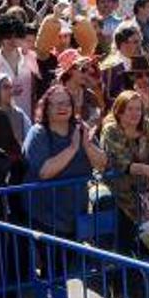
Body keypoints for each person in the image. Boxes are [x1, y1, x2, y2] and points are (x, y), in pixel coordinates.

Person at [22, 83, 107, 237]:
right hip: (45, 217)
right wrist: (72, 148)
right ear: (47, 108)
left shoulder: (80, 128)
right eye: (58, 103)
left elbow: (101, 164)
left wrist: (87, 146)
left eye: (68, 103)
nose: (64, 107)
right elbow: (44, 172)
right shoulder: (38, 133)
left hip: (76, 214)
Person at [98, 90, 149, 255]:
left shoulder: (148, 125)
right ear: (119, 111)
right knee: (123, 244)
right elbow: (121, 163)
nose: (135, 113)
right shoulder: (111, 130)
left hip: (144, 193)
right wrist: (148, 170)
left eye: (138, 109)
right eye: (130, 109)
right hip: (117, 192)